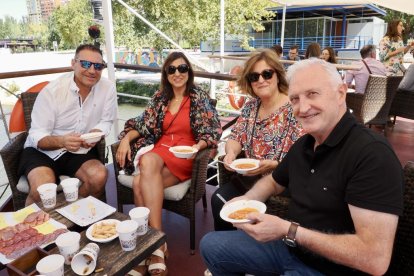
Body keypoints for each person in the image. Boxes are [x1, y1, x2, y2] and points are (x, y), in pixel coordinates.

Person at [200, 59, 404, 275]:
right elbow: (273, 181)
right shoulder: (306, 144)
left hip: (330, 269)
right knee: (211, 246)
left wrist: (288, 231)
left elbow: (374, 259)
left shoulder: (371, 154)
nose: (303, 108)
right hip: (293, 249)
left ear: (341, 93)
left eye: (313, 94)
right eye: (295, 99)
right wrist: (249, 199)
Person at [116, 51, 222, 276]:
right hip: (161, 150)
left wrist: (197, 147)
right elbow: (141, 124)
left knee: (145, 165)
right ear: (166, 73)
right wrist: (125, 139)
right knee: (141, 178)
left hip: (185, 153)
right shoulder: (159, 98)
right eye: (172, 69)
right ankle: (156, 246)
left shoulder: (198, 97)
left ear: (189, 72)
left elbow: (212, 129)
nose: (177, 73)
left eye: (182, 68)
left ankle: (152, 246)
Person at [211, 49, 304, 231]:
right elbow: (236, 136)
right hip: (249, 180)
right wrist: (231, 153)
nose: (261, 80)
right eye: (255, 77)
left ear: (278, 75)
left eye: (267, 73)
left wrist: (274, 165)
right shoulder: (251, 107)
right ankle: (227, 251)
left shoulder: (295, 109)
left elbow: (303, 158)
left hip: (282, 184)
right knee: (218, 201)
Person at [18, 44, 117, 206]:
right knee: (41, 190)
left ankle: (71, 214)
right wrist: (62, 141)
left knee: (99, 176)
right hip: (43, 151)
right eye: (85, 64)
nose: (92, 70)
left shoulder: (107, 88)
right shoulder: (53, 91)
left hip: (79, 150)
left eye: (98, 66)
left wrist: (97, 132)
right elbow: (37, 135)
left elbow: (106, 121)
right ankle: (34, 224)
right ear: (73, 64)